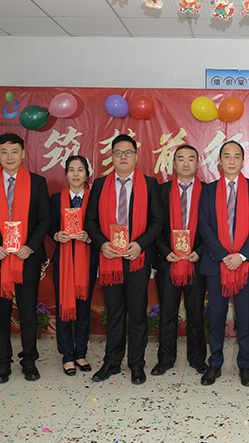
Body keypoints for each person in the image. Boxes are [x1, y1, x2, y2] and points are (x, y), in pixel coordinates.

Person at [85, 134, 163, 385]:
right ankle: (112, 362)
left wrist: (140, 244)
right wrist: (102, 244)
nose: (123, 157)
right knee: (115, 314)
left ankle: (136, 363)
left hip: (136, 258)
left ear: (136, 157)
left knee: (138, 314)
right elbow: (90, 221)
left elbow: (157, 221)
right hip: (110, 260)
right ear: (112, 157)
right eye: (118, 153)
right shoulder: (99, 185)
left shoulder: (149, 184)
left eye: (128, 153)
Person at [0, 133, 51, 384]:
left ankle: (29, 361)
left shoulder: (37, 183)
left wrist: (30, 246)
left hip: (26, 257)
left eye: (14, 151)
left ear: (23, 153)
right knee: (1, 311)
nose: (9, 157)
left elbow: (44, 219)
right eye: (4, 152)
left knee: (27, 311)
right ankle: (2, 363)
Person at [198, 141, 249, 388]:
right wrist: (223, 255)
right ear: (219, 161)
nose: (231, 161)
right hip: (216, 264)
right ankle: (215, 363)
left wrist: (242, 256)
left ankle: (245, 364)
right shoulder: (209, 190)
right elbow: (204, 225)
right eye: (227, 156)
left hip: (245, 264)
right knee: (215, 316)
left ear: (243, 161)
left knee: (245, 317)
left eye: (236, 156)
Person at [150, 145, 209, 377]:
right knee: (167, 314)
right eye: (181, 159)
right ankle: (165, 359)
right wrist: (165, 251)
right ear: (173, 164)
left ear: (197, 163)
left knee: (196, 315)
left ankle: (197, 359)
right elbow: (154, 225)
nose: (186, 163)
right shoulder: (161, 191)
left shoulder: (208, 191)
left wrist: (200, 251)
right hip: (168, 261)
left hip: (196, 262)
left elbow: (213, 228)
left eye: (190, 159)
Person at [49, 156, 98, 376]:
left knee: (83, 309)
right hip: (63, 260)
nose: (76, 174)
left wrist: (89, 237)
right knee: (63, 307)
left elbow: (100, 226)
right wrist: (56, 235)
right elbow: (50, 225)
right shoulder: (55, 199)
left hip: (87, 260)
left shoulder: (94, 197)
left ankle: (81, 353)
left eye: (80, 170)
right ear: (66, 174)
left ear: (87, 174)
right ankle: (67, 356)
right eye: (71, 170)